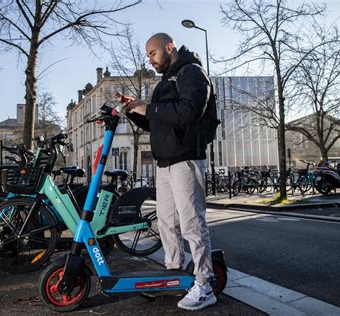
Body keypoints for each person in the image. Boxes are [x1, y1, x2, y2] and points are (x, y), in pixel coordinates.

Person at [118, 33, 216, 311]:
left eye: (152, 53)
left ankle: (204, 285)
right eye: (147, 54)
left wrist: (148, 106)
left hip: (186, 158)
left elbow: (189, 112)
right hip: (165, 161)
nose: (149, 59)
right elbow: (157, 123)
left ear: (169, 47)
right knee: (166, 223)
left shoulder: (192, 73)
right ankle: (173, 275)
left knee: (192, 225)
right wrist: (133, 110)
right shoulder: (164, 82)